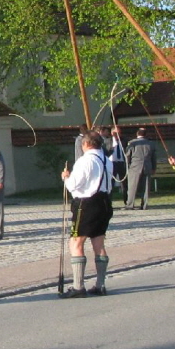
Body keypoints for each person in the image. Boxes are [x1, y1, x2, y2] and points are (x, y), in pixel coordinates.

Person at [60, 130, 113, 298]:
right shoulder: (107, 160)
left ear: (86, 144)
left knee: (75, 241)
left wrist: (66, 178)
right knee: (99, 243)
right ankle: (100, 284)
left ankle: (78, 287)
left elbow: (74, 185)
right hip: (104, 202)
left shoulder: (85, 161)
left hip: (86, 204)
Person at [124, 128, 156, 210]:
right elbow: (154, 157)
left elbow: (128, 155)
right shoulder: (151, 144)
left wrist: (128, 165)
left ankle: (130, 204)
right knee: (146, 187)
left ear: (137, 133)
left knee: (132, 187)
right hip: (147, 166)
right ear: (146, 134)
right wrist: (153, 168)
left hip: (135, 166)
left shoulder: (132, 143)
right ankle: (144, 205)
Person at [107, 126, 128, 204]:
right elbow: (107, 152)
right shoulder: (108, 141)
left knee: (124, 183)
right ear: (112, 133)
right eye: (116, 133)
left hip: (121, 162)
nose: (118, 135)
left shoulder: (124, 140)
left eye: (119, 133)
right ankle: (109, 201)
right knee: (111, 183)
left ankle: (126, 201)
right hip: (112, 163)